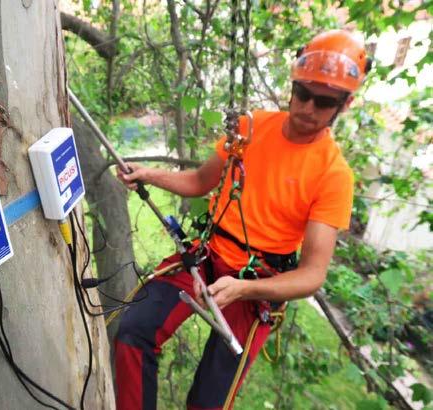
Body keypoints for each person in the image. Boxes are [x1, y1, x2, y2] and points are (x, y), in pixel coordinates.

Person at [113, 29, 371, 410]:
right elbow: (202, 181)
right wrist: (149, 174)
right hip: (207, 255)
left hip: (257, 280)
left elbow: (312, 275)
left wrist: (244, 290)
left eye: (323, 101)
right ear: (293, 84)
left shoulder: (333, 175)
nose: (307, 109)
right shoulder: (251, 129)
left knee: (208, 401)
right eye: (302, 94)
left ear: (344, 105)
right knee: (133, 331)